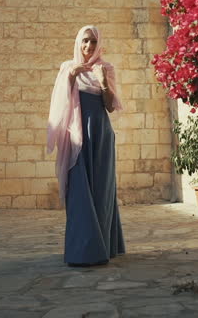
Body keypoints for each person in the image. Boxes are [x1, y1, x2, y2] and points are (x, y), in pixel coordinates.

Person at [46, 25, 125, 267]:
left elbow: (110, 106)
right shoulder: (68, 68)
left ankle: (103, 248)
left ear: (99, 44)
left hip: (100, 134)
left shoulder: (106, 68)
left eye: (93, 41)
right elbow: (59, 103)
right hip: (76, 137)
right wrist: (71, 77)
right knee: (79, 191)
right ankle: (83, 252)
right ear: (79, 42)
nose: (89, 46)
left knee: (101, 190)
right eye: (85, 41)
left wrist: (103, 82)